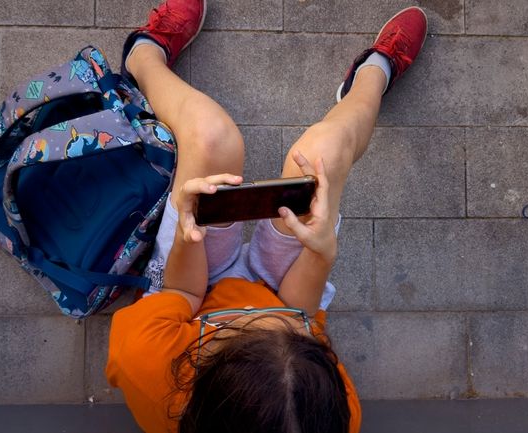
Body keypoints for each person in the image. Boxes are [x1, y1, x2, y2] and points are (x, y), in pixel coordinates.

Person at [106, 1, 428, 432]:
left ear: (198, 383)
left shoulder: (149, 364)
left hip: (191, 297)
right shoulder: (326, 409)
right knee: (323, 158)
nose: (264, 316)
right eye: (296, 339)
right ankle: (372, 76)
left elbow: (181, 290)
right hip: (283, 290)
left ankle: (143, 57)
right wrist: (319, 257)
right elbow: (301, 312)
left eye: (242, 331)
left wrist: (189, 231)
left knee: (211, 137)